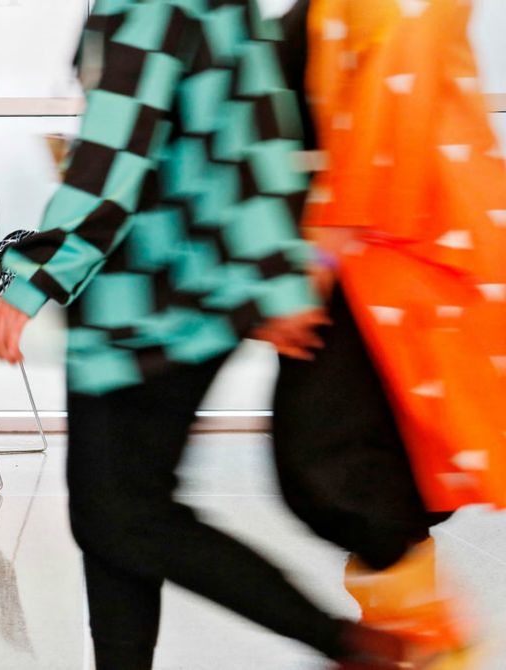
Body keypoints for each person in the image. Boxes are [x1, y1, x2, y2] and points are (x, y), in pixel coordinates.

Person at [0, 1, 438, 667]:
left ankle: (349, 644)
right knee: (120, 513)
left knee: (118, 516)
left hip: (143, 298)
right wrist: (274, 272)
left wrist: (39, 273)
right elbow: (261, 128)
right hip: (199, 291)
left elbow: (116, 147)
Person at [272, 0, 506, 660]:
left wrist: (317, 255)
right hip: (370, 256)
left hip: (392, 255)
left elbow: (387, 120)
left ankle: (427, 641)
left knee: (333, 466)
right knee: (356, 470)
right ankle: (417, 639)